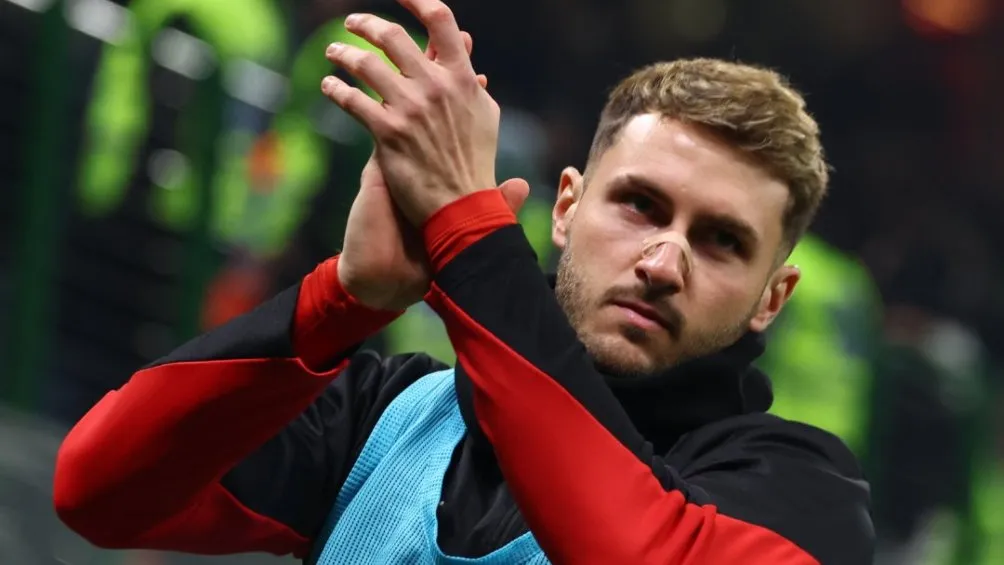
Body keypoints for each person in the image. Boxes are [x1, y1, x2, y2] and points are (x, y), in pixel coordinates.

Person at [53, 0, 874, 562]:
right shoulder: (387, 415)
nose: (663, 263)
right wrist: (344, 297)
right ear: (565, 207)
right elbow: (99, 490)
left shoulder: (802, 493)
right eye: (639, 206)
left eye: (722, 241)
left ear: (772, 298)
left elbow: (633, 547)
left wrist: (466, 231)